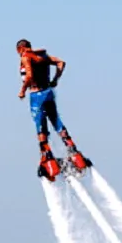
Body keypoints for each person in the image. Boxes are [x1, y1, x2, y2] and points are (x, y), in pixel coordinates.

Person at [16, 39, 86, 170]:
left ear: (20, 49)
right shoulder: (43, 55)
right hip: (48, 92)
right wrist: (55, 80)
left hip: (37, 95)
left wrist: (22, 90)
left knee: (40, 125)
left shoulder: (26, 57)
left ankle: (47, 156)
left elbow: (29, 75)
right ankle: (74, 152)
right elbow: (61, 62)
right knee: (56, 121)